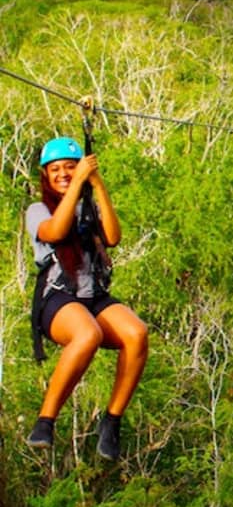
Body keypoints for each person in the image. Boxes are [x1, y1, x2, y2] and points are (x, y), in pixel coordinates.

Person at [25, 136, 149, 461]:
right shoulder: (37, 210)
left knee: (136, 334)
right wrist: (79, 179)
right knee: (87, 334)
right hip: (59, 299)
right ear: (46, 175)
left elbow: (112, 237)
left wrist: (96, 183)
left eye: (70, 167)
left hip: (93, 296)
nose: (63, 174)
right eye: (56, 170)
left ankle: (111, 423)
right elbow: (55, 232)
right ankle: (45, 422)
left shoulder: (88, 206)